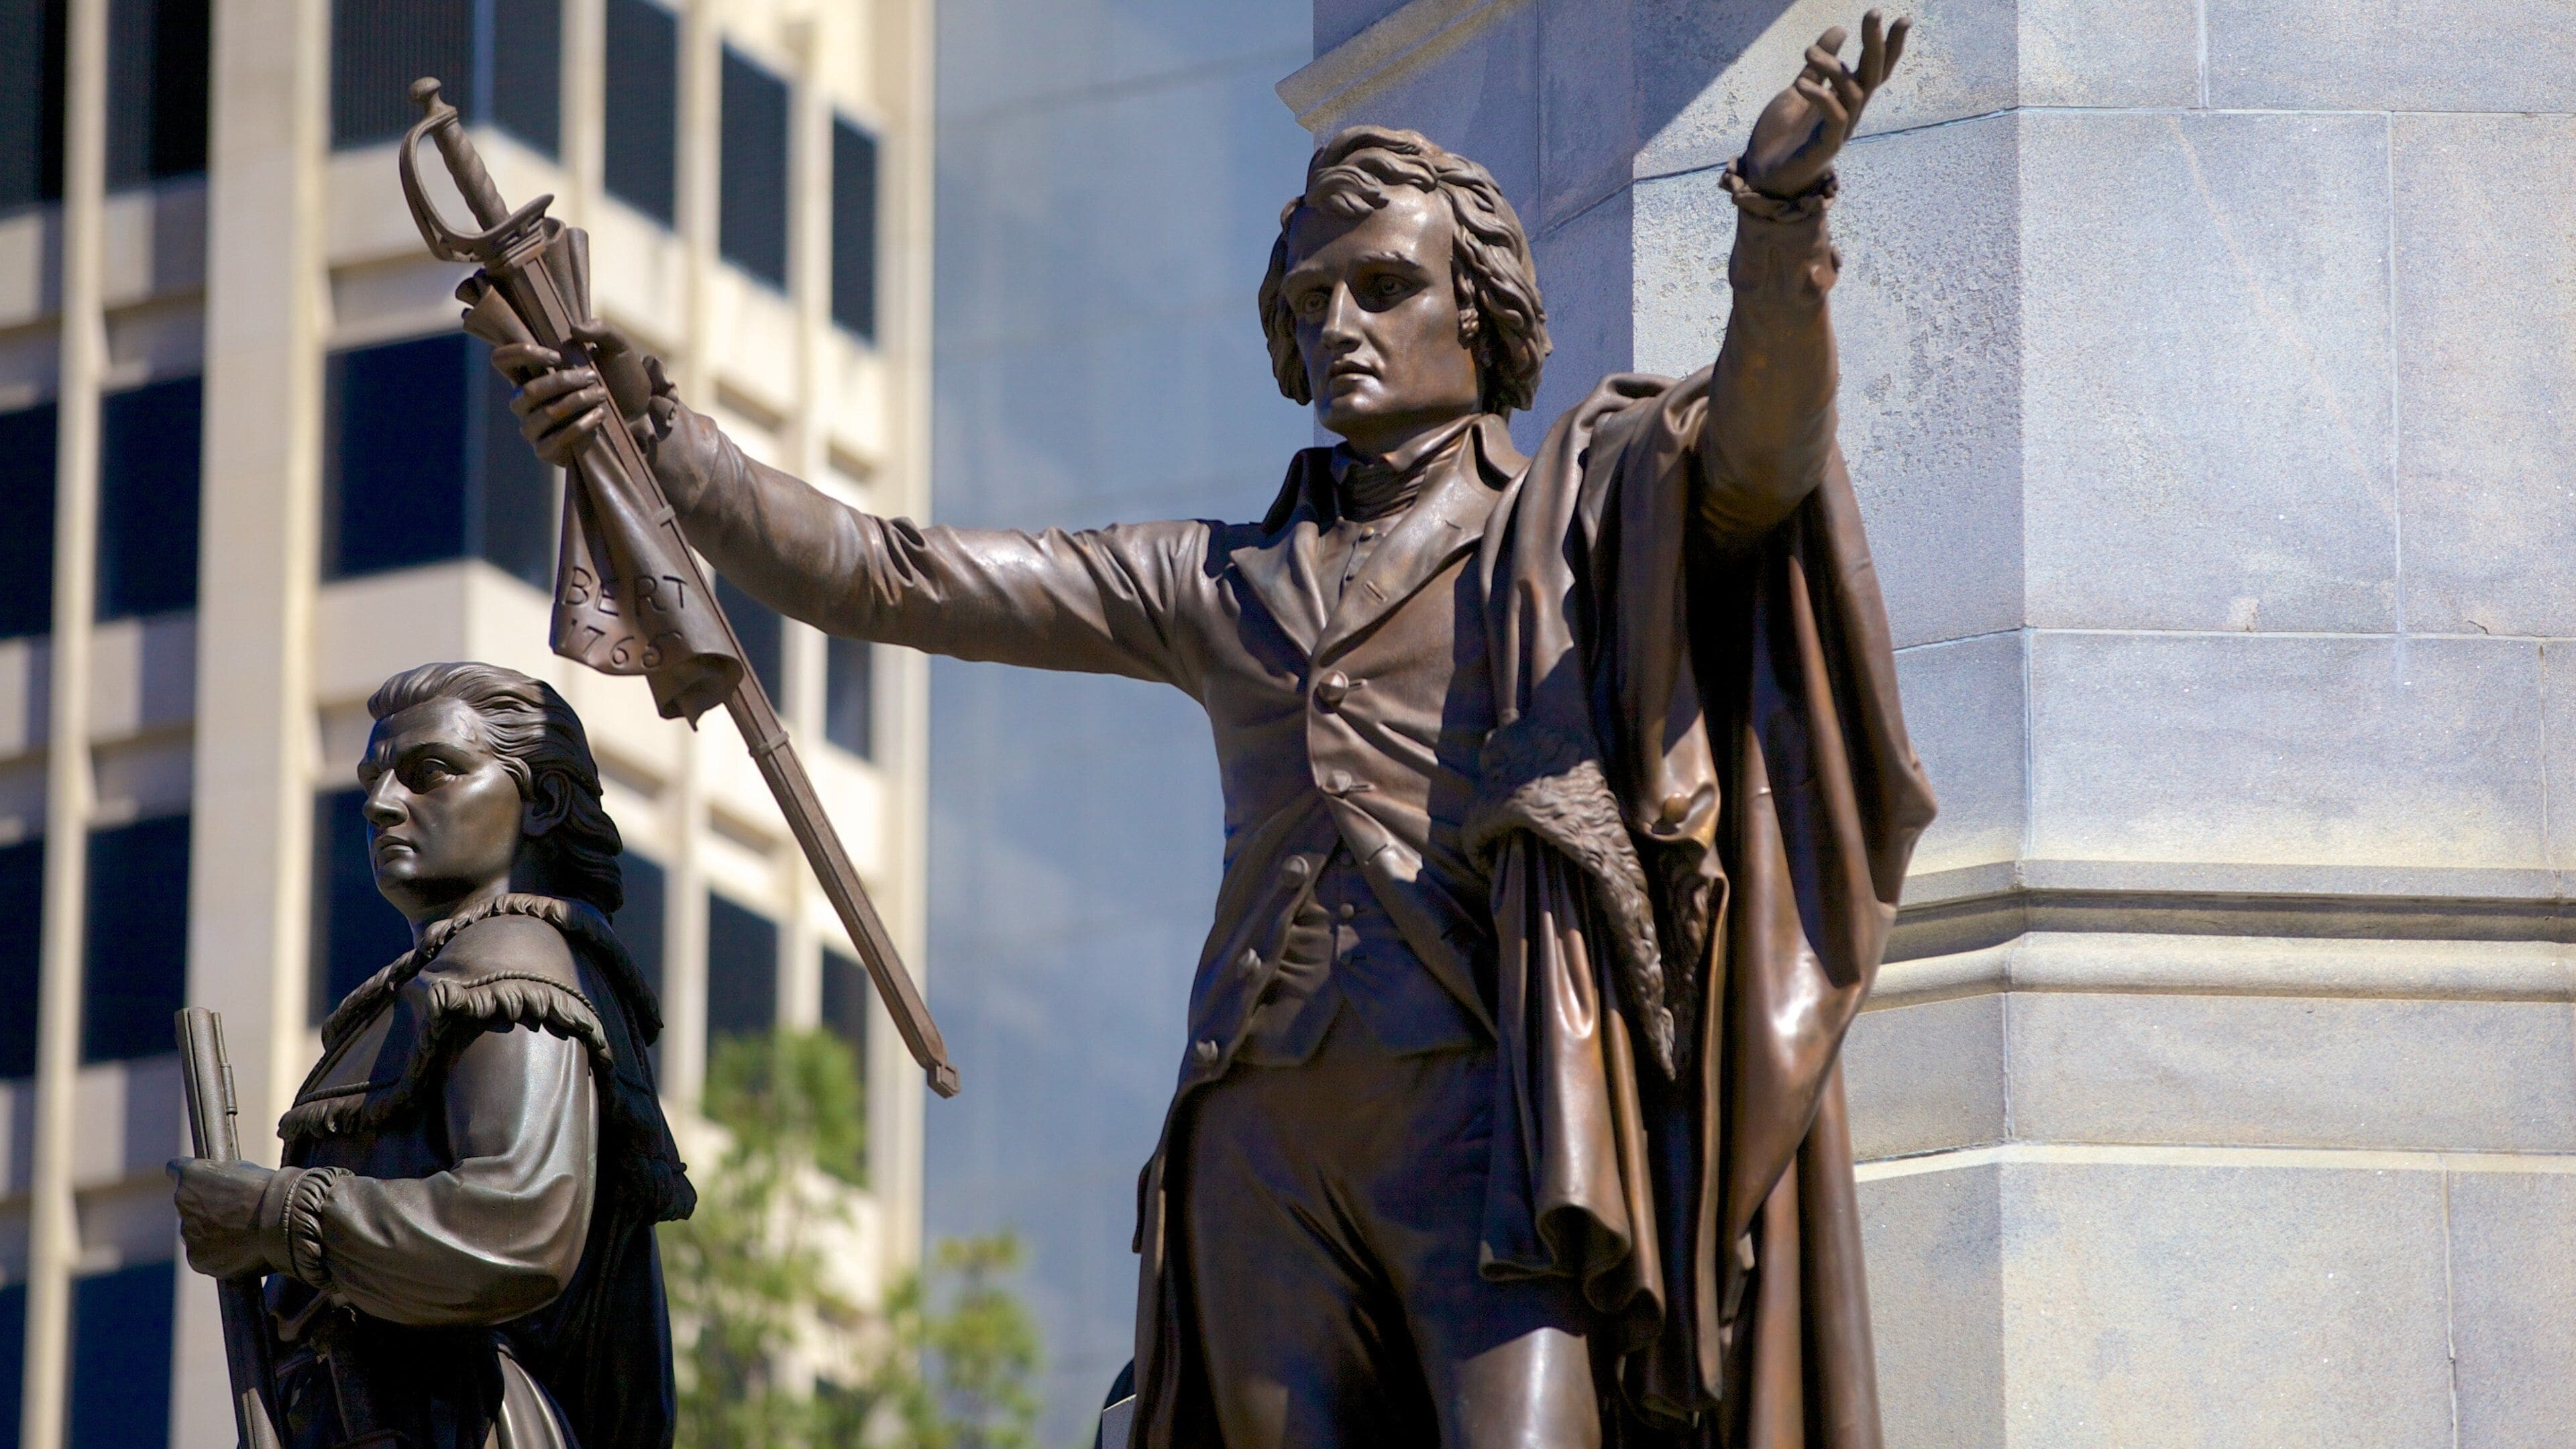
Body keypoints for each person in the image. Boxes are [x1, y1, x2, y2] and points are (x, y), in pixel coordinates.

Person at [504, 14, 1932, 1448]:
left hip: (1494, 1116)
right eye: (1312, 300)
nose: (1340, 327)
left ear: (1480, 313)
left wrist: (1779, 218)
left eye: (1384, 289)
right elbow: (885, 571)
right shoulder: (1212, 581)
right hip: (1259, 1138)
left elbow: (1761, 456)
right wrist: (669, 442)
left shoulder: (1578, 516)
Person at [171, 663, 694, 1449]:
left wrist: (271, 1214)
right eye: (374, 781)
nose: (382, 806)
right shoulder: (449, 975)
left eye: (429, 774)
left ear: (542, 803)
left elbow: (516, 1228)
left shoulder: (514, 959)